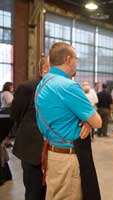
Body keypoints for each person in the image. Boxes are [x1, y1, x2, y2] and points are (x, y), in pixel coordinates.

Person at [35, 42, 102, 199]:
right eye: (76, 59)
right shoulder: (68, 86)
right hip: (68, 157)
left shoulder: (43, 83)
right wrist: (88, 121)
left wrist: (86, 121)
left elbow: (62, 112)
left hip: (52, 153)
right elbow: (97, 122)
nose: (77, 63)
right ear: (68, 59)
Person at [10, 56, 50, 200]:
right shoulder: (28, 87)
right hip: (32, 150)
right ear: (44, 69)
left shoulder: (60, 89)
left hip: (54, 152)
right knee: (34, 191)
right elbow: (15, 113)